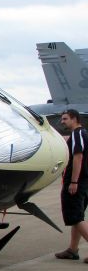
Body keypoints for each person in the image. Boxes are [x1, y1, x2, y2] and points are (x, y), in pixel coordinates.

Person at [55, 109, 88, 262]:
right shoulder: (84, 133)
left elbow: (78, 156)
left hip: (77, 182)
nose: (62, 122)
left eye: (65, 119)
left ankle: (73, 250)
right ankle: (73, 250)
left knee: (74, 216)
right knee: (77, 216)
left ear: (74, 119)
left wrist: (74, 181)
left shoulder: (77, 134)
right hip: (84, 182)